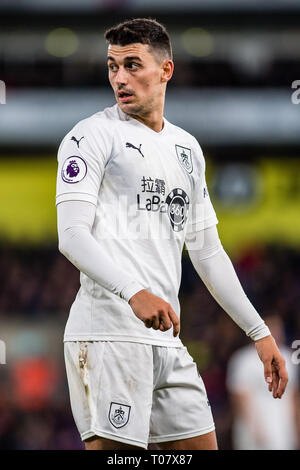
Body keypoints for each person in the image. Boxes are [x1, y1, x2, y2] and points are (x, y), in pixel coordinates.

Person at [55, 18, 288, 451]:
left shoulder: (186, 148)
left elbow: (208, 252)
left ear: (166, 71)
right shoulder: (90, 136)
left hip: (167, 341)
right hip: (109, 335)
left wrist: (259, 333)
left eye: (132, 65)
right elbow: (71, 235)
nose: (119, 78)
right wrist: (134, 292)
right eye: (112, 66)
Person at [227, 313, 300, 450]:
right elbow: (239, 398)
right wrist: (253, 427)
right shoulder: (243, 360)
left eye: (278, 328)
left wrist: (297, 428)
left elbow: (294, 397)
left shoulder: (288, 358)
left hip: (283, 430)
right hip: (254, 434)